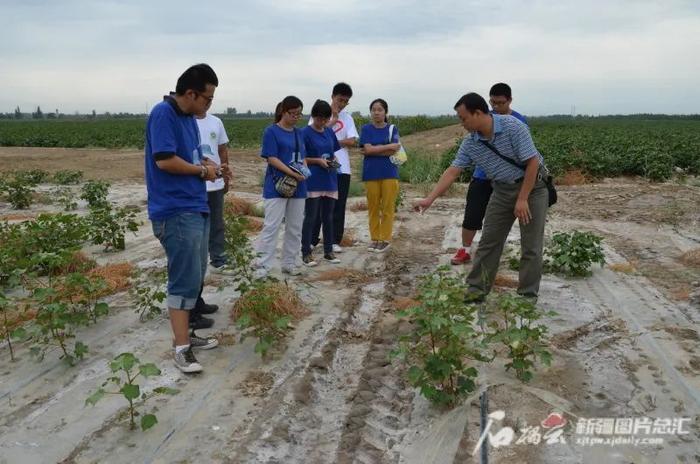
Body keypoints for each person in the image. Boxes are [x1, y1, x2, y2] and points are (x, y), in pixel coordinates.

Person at [415, 92, 548, 301]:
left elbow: (533, 163)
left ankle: (527, 295)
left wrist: (523, 199)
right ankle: (476, 290)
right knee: (489, 242)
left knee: (530, 245)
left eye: (463, 118)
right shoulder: (471, 143)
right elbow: (453, 171)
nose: (462, 123)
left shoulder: (513, 126)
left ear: (477, 113)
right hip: (502, 191)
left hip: (532, 189)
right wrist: (429, 199)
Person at [145, 63, 220, 374]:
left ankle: (187, 335)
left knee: (195, 273)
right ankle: (181, 349)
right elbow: (164, 161)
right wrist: (202, 171)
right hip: (175, 210)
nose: (209, 104)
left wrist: (205, 163)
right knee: (182, 278)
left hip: (195, 205)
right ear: (190, 93)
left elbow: (186, 157)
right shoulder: (163, 114)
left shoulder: (189, 119)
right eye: (208, 99)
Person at [451, 82, 528, 265]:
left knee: (501, 219)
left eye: (500, 103)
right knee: (472, 214)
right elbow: (455, 167)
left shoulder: (518, 122)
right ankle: (465, 249)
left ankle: (495, 252)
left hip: (509, 181)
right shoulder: (483, 119)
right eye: (493, 103)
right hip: (482, 176)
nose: (496, 107)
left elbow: (527, 157)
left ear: (509, 100)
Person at [255, 96, 308, 277]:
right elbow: (271, 157)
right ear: (283, 112)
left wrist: (304, 169)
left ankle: (289, 263)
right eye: (292, 113)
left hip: (298, 187)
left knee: (295, 227)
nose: (295, 117)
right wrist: (292, 172)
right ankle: (263, 265)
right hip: (277, 185)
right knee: (272, 226)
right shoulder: (271, 131)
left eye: (298, 114)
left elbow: (303, 156)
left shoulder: (299, 133)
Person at [309, 83, 358, 253]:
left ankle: (334, 240)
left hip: (342, 168)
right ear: (332, 96)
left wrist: (329, 142)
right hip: (320, 167)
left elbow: (352, 141)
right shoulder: (319, 113)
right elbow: (312, 135)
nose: (342, 104)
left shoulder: (348, 118)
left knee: (338, 206)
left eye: (346, 101)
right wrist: (332, 121)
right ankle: (312, 239)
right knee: (315, 204)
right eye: (340, 99)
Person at [301, 100, 342, 266]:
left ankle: (328, 251)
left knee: (328, 217)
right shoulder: (304, 133)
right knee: (311, 217)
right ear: (313, 117)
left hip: (330, 178)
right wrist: (317, 161)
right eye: (319, 119)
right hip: (313, 179)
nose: (323, 123)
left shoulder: (329, 132)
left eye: (326, 119)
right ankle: (306, 252)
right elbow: (301, 158)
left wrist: (333, 161)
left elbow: (333, 152)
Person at [359, 98, 401, 253]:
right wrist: (387, 147)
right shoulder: (366, 129)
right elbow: (367, 150)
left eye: (380, 109)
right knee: (373, 207)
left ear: (385, 112)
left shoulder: (392, 128)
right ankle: (375, 238)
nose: (376, 112)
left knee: (388, 207)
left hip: (389, 173)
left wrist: (374, 149)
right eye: (374, 110)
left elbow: (394, 150)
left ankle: (385, 238)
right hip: (371, 173)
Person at [195, 108, 233, 276]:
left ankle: (218, 260)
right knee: (196, 225)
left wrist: (225, 176)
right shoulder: (187, 122)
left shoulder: (216, 122)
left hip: (215, 182)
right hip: (196, 182)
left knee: (217, 223)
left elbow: (222, 150)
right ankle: (195, 262)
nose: (207, 103)